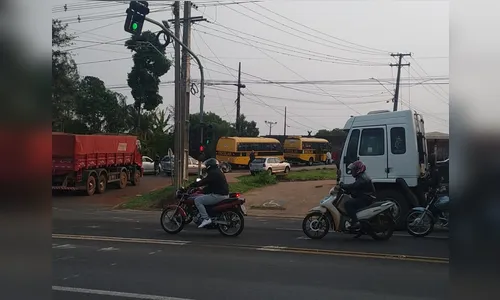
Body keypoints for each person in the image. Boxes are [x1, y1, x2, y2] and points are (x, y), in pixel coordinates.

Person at [188, 158, 229, 228]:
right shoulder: (218, 171)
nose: (206, 167)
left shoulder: (213, 173)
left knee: (197, 200)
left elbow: (204, 181)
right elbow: (211, 185)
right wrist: (203, 190)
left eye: (207, 166)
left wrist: (193, 185)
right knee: (204, 198)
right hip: (223, 194)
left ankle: (206, 219)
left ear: (210, 166)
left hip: (218, 195)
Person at [339, 160, 376, 230]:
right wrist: (348, 191)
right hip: (365, 196)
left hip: (366, 198)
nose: (352, 171)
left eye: (354, 170)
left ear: (358, 170)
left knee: (348, 204)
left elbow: (354, 186)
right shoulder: (361, 176)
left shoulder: (362, 178)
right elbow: (357, 189)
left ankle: (355, 222)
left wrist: (343, 185)